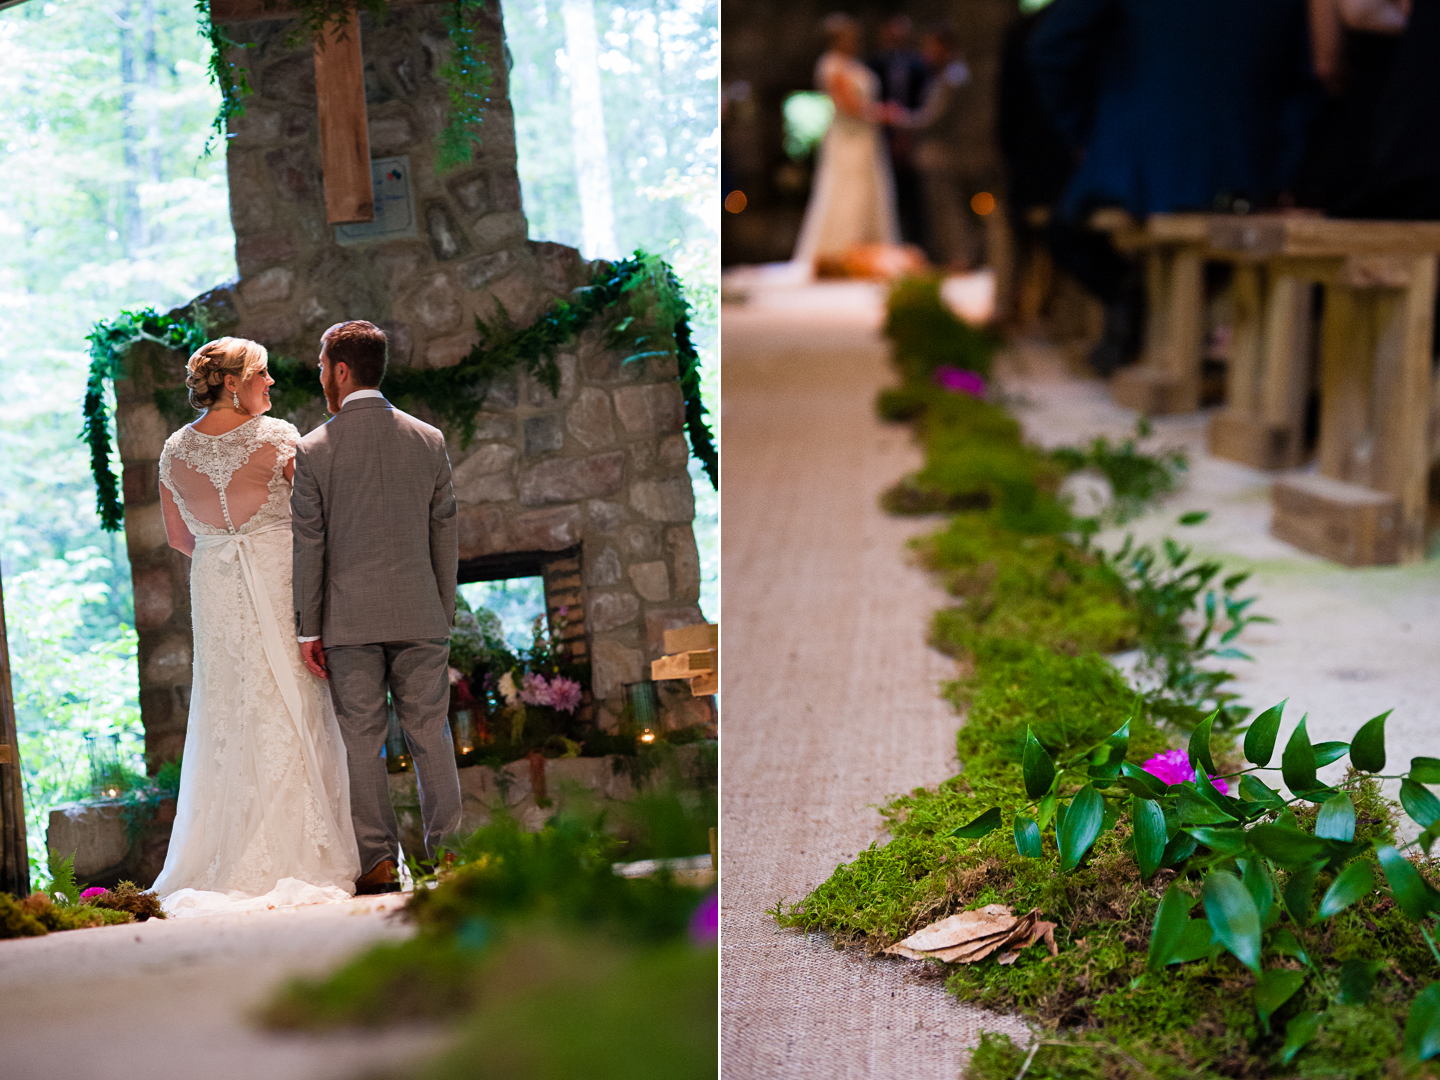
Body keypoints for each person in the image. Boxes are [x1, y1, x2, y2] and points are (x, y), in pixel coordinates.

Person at [152, 338, 360, 914]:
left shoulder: (174, 450)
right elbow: (315, 520)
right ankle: (298, 853)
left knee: (228, 709)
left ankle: (226, 855)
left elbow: (177, 537)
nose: (271, 384)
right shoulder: (279, 436)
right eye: (262, 375)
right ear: (235, 382)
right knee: (291, 696)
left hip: (215, 583)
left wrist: (226, 553)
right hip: (277, 576)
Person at [1027, 0, 1316, 374]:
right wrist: (1281, 171)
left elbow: (1049, 48)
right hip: (1244, 166)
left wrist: (1081, 131)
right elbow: (1306, 83)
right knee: (1215, 243)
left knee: (1066, 233)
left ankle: (1133, 302)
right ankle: (1170, 323)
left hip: (1140, 160)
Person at [291, 320, 462, 896]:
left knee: (362, 742)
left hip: (347, 622)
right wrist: (441, 610)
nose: (320, 377)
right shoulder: (428, 439)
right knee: (430, 735)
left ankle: (380, 863)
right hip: (420, 614)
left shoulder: (313, 451)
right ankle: (451, 859)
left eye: (321, 367)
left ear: (341, 370)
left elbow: (309, 545)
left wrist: (307, 629)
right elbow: (445, 536)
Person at [791, 13, 901, 271]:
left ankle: (869, 250)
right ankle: (841, 252)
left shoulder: (854, 64)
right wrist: (881, 113)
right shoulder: (831, 65)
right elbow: (848, 105)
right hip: (848, 138)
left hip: (866, 138)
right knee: (847, 192)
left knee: (869, 190)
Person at [889, 24, 975, 269]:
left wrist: (898, 119)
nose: (926, 53)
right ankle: (951, 257)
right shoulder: (945, 75)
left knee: (949, 209)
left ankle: (959, 258)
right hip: (936, 154)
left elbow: (934, 119)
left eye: (931, 47)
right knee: (939, 211)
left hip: (945, 154)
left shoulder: (953, 77)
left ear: (945, 47)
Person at [867, 15, 931, 247]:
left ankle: (917, 245)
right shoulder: (873, 64)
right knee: (885, 193)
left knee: (915, 197)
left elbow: (924, 102)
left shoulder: (920, 65)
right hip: (880, 138)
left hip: (913, 137)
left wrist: (907, 133)